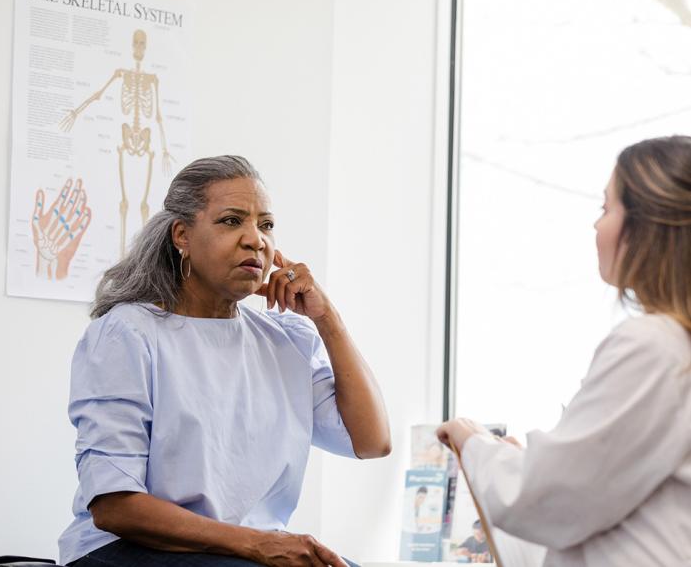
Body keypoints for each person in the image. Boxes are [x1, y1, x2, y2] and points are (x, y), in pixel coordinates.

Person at [58, 155, 391, 567]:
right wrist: (256, 543)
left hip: (247, 550)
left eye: (265, 225)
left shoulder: (286, 339)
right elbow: (114, 507)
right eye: (232, 221)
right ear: (182, 235)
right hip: (130, 550)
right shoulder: (128, 333)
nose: (256, 239)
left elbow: (371, 442)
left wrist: (328, 320)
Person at [437, 135, 691, 566]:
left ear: (646, 227)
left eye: (606, 208)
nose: (597, 225)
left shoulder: (653, 348)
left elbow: (541, 500)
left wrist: (475, 442)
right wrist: (532, 463)